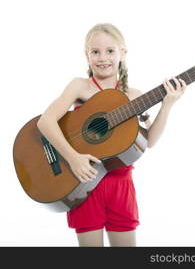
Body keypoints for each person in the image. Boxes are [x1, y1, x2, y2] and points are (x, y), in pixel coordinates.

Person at [37, 23, 186, 247]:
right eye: (95, 52)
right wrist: (73, 157)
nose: (102, 58)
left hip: (121, 185)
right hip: (85, 184)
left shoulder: (133, 96)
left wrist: (167, 106)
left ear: (122, 53)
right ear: (86, 55)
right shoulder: (80, 87)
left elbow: (150, 141)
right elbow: (45, 121)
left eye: (110, 51)